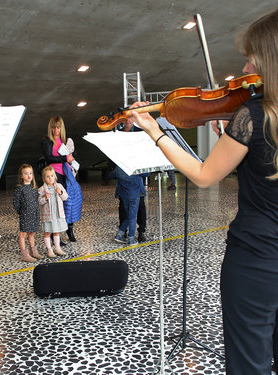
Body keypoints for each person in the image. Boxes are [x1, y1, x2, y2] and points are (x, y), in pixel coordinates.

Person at [129, 8, 278, 374]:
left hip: (258, 259)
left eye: (250, 60)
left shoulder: (255, 115)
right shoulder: (254, 118)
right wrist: (234, 140)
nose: (245, 70)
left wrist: (155, 130)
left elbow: (203, 175)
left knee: (249, 361)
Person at [41, 115, 82, 242]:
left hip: (66, 174)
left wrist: (71, 158)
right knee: (56, 205)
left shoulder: (65, 141)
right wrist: (65, 158)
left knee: (69, 203)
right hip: (54, 176)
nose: (56, 130)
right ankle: (55, 235)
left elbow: (70, 157)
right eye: (53, 128)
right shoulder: (47, 141)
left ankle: (70, 230)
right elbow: (49, 158)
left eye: (58, 127)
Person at [117, 118, 148, 242]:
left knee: (140, 206)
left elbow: (145, 153)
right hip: (123, 176)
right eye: (126, 118)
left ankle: (141, 232)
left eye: (130, 118)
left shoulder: (141, 133)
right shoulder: (118, 134)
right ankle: (123, 232)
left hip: (136, 176)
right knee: (123, 207)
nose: (128, 121)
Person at [109, 165, 148, 245]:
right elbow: (147, 173)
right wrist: (137, 172)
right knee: (132, 216)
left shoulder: (119, 167)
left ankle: (120, 234)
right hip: (135, 194)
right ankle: (131, 239)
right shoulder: (135, 166)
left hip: (124, 194)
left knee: (129, 215)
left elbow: (111, 175)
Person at [13, 164, 42, 262]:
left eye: (30, 173)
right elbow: (16, 203)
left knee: (32, 233)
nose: (29, 176)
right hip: (25, 214)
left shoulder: (34, 188)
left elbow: (37, 200)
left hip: (34, 213)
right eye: (26, 174)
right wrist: (22, 212)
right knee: (23, 234)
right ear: (21, 176)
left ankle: (33, 251)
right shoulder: (20, 189)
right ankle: (24, 254)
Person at [38, 166, 68, 258]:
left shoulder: (59, 186)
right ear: (44, 178)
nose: (50, 178)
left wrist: (60, 193)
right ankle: (49, 250)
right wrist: (45, 198)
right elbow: (39, 201)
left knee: (57, 231)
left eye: (51, 176)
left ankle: (57, 248)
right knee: (47, 232)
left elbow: (65, 197)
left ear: (54, 176)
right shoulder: (42, 189)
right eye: (47, 176)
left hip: (57, 214)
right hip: (48, 215)